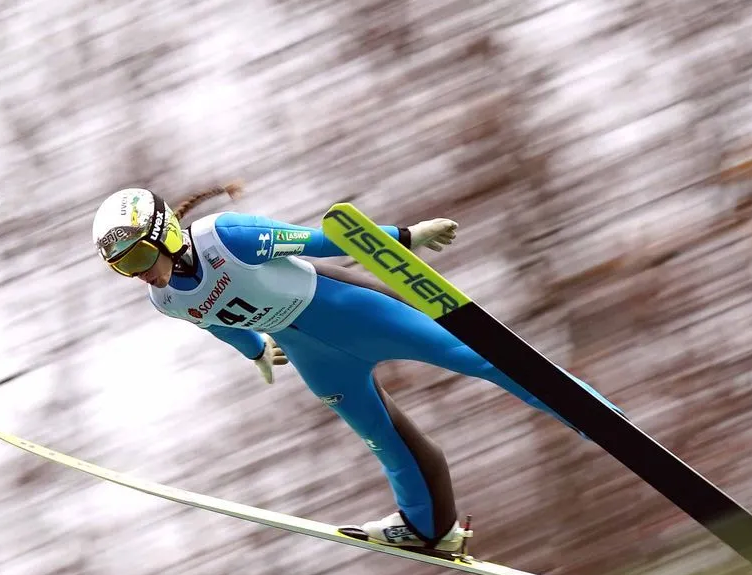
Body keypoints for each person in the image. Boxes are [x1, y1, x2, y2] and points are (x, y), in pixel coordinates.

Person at [90, 183, 621, 553]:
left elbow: (321, 239)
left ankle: (593, 414)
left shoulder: (224, 237)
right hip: (313, 357)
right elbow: (215, 323)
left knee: (479, 357)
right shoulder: (164, 302)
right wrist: (254, 351)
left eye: (139, 260)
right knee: (381, 436)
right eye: (124, 270)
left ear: (164, 234)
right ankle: (428, 527)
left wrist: (405, 237)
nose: (142, 277)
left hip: (350, 309)